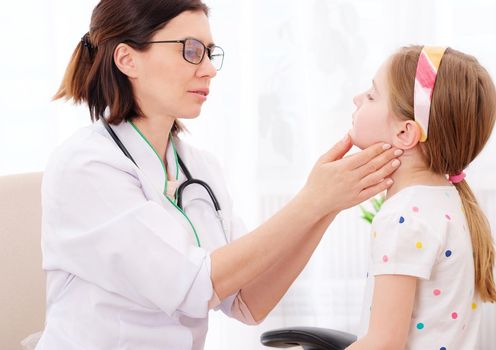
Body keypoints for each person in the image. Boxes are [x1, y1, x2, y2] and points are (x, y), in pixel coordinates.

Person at [36, 1, 404, 349]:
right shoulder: (85, 167)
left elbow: (248, 301)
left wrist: (328, 207)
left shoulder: (198, 166)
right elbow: (194, 284)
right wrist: (312, 201)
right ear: (127, 58)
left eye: (210, 53)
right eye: (191, 50)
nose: (209, 68)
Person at [347, 45, 496, 350]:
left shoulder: (404, 218)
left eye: (372, 95)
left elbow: (384, 343)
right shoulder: (449, 200)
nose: (357, 98)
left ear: (405, 133)